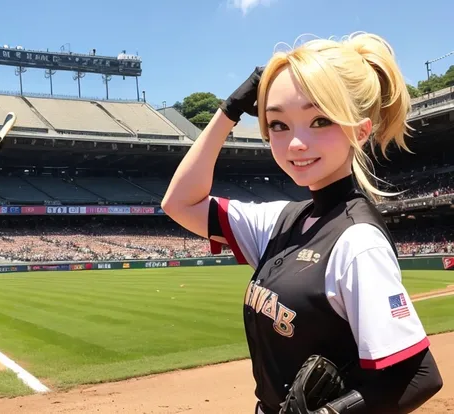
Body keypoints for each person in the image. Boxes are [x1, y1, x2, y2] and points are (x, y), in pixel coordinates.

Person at [161, 32, 443, 413]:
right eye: (278, 125)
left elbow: (419, 375)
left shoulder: (357, 242)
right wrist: (229, 110)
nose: (296, 143)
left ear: (360, 131)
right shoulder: (281, 219)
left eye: (320, 120)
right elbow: (179, 202)